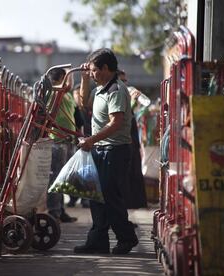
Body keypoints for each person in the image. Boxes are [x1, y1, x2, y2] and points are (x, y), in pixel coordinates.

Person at [74, 48, 138, 255]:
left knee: (111, 197)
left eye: (93, 70)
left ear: (105, 68)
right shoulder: (99, 90)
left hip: (115, 151)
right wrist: (84, 79)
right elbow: (84, 104)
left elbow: (116, 123)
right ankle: (97, 240)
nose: (92, 74)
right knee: (96, 197)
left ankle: (126, 238)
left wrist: (91, 139)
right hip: (99, 150)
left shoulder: (116, 91)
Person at [46, 67, 78, 223]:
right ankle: (54, 212)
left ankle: (60, 210)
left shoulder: (68, 96)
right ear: (60, 79)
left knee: (63, 178)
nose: (70, 81)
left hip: (68, 141)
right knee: (56, 178)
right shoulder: (53, 94)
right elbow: (49, 89)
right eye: (67, 77)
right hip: (57, 141)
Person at [116, 70, 148, 209]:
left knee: (134, 173)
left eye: (126, 81)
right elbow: (122, 118)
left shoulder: (124, 94)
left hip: (131, 142)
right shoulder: (115, 95)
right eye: (122, 81)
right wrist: (133, 102)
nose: (125, 84)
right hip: (122, 142)